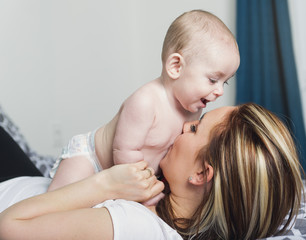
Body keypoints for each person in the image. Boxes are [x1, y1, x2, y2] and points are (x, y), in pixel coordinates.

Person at [0, 103, 304, 239]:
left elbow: (8, 227)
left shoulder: (136, 227)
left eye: (196, 128)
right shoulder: (168, 202)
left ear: (201, 174)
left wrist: (105, 184)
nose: (185, 125)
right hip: (29, 183)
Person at [47, 9, 240, 193]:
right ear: (175, 67)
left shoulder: (193, 108)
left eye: (226, 82)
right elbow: (124, 153)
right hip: (92, 158)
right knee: (57, 203)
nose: (220, 91)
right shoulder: (146, 102)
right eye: (213, 80)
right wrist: (146, 192)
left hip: (132, 175)